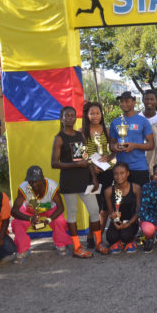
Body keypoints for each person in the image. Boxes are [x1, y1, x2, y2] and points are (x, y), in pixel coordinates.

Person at [51, 106, 106, 258]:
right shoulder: (59, 138)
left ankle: (98, 242)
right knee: (73, 214)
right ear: (61, 118)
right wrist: (76, 165)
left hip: (85, 180)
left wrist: (94, 178)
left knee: (94, 210)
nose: (70, 118)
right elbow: (54, 163)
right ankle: (76, 247)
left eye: (72, 115)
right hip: (69, 182)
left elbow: (86, 159)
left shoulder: (80, 135)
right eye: (66, 115)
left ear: (76, 118)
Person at [11, 166, 73, 263]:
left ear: (43, 179)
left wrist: (48, 220)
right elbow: (14, 211)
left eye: (36, 181)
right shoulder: (24, 187)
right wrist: (30, 219)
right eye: (31, 181)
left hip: (49, 209)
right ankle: (22, 249)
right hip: (30, 210)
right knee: (18, 222)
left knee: (59, 220)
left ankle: (61, 243)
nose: (33, 184)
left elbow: (61, 207)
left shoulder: (52, 186)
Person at [81, 101, 116, 249]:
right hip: (91, 174)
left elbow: (114, 150)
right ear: (87, 115)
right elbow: (81, 154)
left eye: (97, 113)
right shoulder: (82, 132)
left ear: (101, 114)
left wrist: (108, 159)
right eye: (92, 113)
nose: (95, 116)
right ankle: (90, 235)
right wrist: (92, 166)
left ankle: (99, 236)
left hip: (107, 172)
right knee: (94, 208)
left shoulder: (107, 131)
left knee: (105, 208)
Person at [109, 91, 154, 186]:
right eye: (121, 101)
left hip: (139, 167)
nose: (123, 104)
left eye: (126, 101)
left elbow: (151, 144)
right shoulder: (115, 122)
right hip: (121, 169)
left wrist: (134, 146)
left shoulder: (143, 121)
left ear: (134, 102)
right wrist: (115, 147)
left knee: (141, 199)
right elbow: (111, 146)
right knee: (122, 199)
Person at [104, 162, 141, 254]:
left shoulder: (136, 188)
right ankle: (119, 242)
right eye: (116, 174)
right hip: (116, 222)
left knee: (126, 235)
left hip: (131, 222)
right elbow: (110, 212)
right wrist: (113, 219)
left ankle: (129, 240)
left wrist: (129, 223)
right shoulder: (108, 191)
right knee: (110, 237)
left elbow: (139, 210)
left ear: (127, 173)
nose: (118, 176)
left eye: (122, 173)